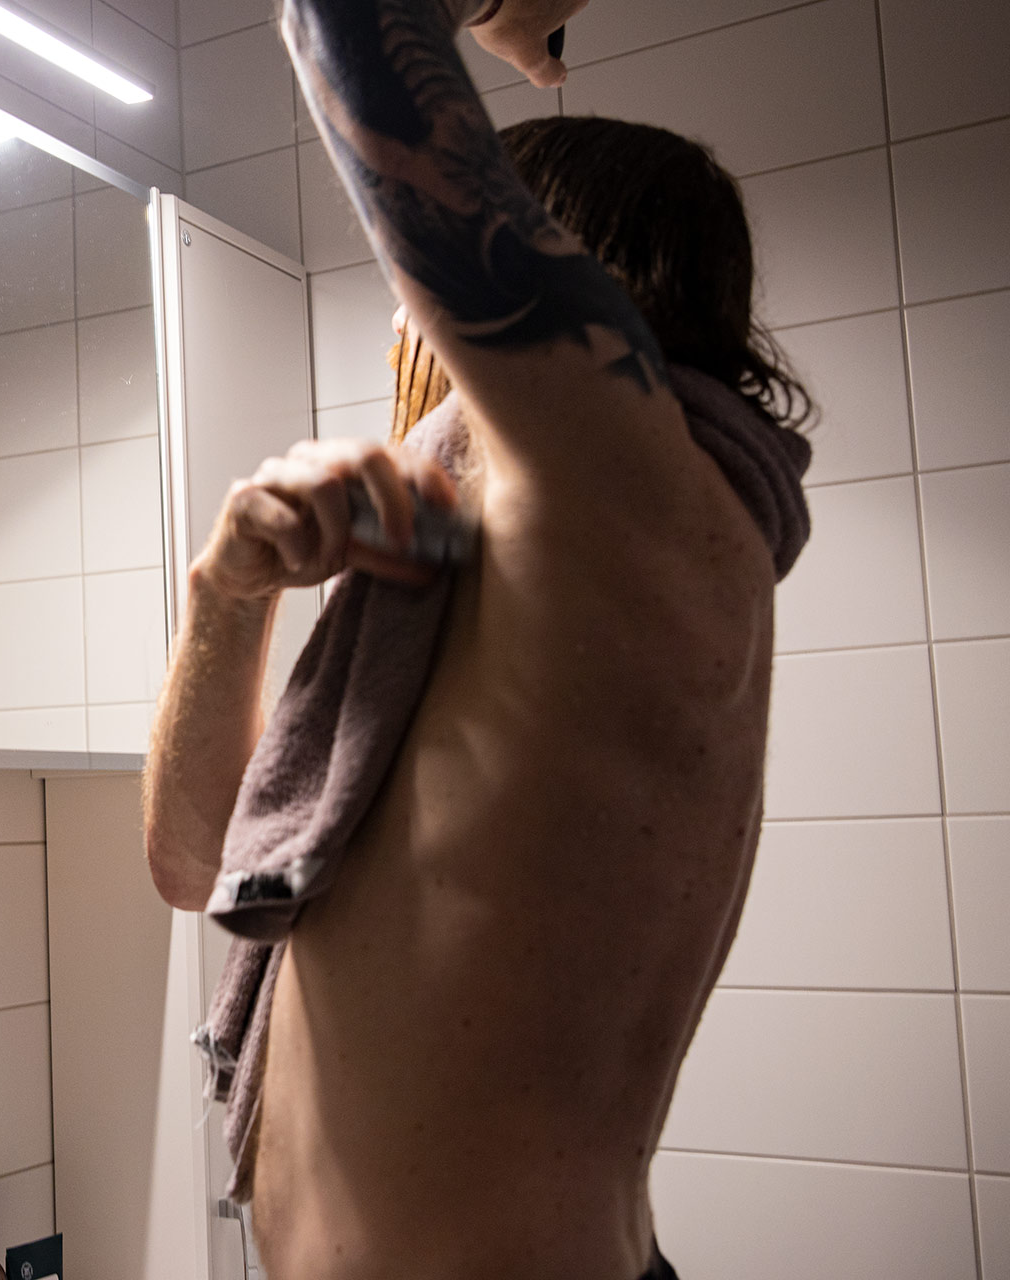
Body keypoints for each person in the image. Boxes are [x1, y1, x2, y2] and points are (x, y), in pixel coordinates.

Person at [141, 1, 814, 1277]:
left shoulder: (636, 503)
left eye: (425, 311)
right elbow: (191, 864)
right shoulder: (477, 580)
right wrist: (227, 598)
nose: (406, 334)